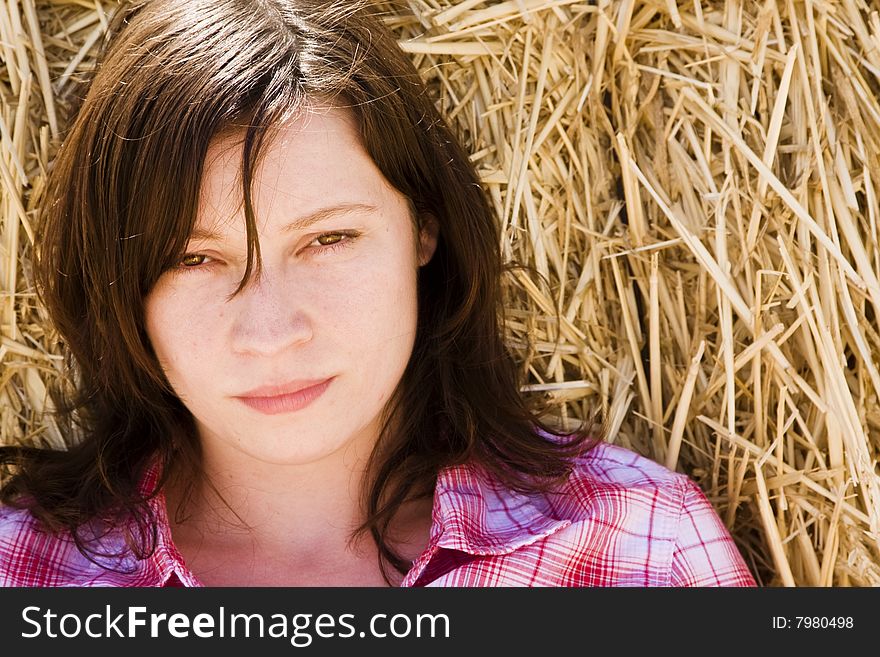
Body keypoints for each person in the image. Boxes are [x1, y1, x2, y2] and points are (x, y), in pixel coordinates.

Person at [0, 0, 755, 587]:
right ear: (120, 286)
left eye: (328, 239)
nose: (270, 330)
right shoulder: (21, 575)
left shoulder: (635, 549)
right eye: (194, 258)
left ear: (423, 226)